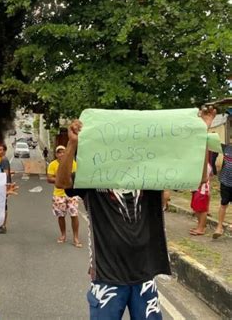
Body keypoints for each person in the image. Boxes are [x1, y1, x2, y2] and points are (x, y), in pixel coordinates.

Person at [55, 107, 215, 319]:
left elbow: (199, 177)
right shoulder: (93, 176)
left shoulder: (151, 177)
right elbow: (62, 182)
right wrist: (72, 143)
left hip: (144, 276)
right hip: (107, 278)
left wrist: (200, 133)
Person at [47, 145, 81, 247]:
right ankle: (63, 235)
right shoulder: (52, 165)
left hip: (72, 193)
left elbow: (76, 177)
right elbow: (49, 178)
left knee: (74, 214)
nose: (61, 154)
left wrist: (62, 179)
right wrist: (62, 179)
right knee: (61, 216)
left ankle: (76, 237)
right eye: (59, 152)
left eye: (63, 152)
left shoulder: (73, 163)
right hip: (58, 194)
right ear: (56, 154)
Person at [213, 143, 232, 239]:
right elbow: (212, 143)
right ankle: (219, 227)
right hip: (225, 182)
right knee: (223, 204)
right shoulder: (226, 148)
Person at [190, 161, 212, 236]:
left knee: (202, 209)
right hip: (196, 188)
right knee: (196, 208)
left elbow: (206, 177)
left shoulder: (205, 165)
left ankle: (201, 228)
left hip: (202, 189)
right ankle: (200, 225)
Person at [0, 143, 11, 234]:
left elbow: (5, 173)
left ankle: (3, 226)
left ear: (4, 151)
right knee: (1, 205)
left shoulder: (4, 160)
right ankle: (0, 225)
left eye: (1, 150)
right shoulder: (1, 159)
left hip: (3, 185)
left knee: (3, 206)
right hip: (2, 185)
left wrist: (5, 186)